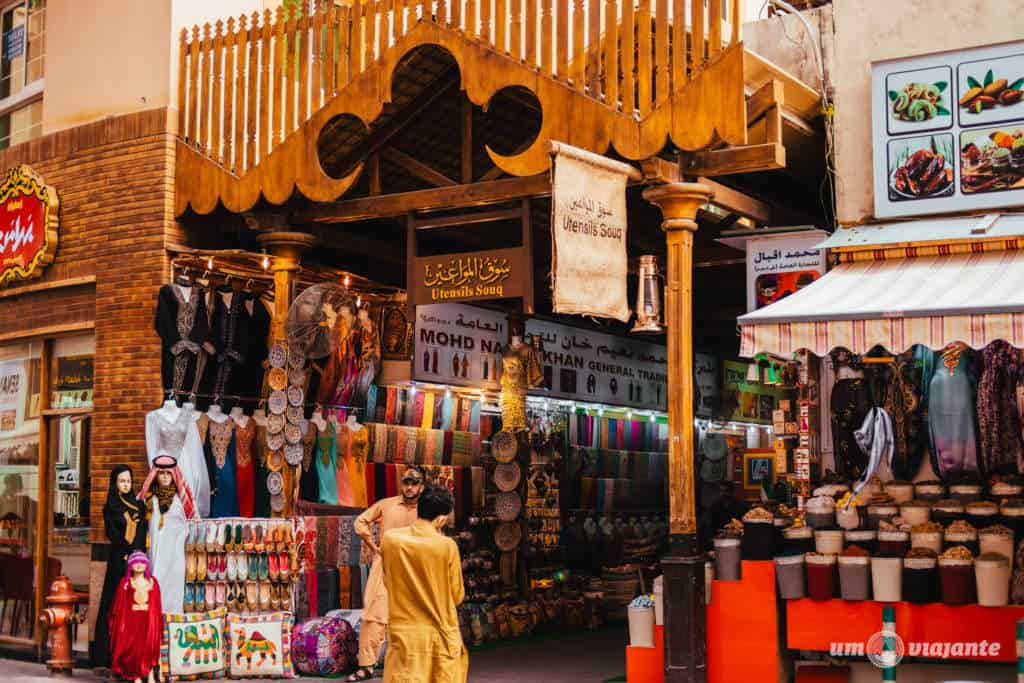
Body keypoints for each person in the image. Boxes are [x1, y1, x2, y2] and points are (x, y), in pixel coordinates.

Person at [380, 486, 467, 683]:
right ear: (441, 518)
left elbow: (388, 581)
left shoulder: (390, 540)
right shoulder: (447, 546)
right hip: (439, 638)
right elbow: (457, 595)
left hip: (404, 636)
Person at [347, 466, 425, 681]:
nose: (409, 487)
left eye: (414, 483)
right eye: (406, 482)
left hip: (414, 567)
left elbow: (439, 527)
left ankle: (412, 664)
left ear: (422, 486)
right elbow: (360, 521)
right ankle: (366, 666)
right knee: (374, 614)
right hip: (385, 564)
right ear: (402, 483)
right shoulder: (387, 504)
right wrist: (373, 546)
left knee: (414, 615)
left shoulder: (427, 508)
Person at [94, 465, 148, 670]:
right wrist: (126, 550)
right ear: (115, 483)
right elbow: (112, 534)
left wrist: (138, 555)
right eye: (122, 481)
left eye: (128, 481)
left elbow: (143, 533)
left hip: (138, 562)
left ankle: (131, 656)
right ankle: (105, 656)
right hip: (118, 560)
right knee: (112, 606)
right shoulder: (110, 506)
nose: (126, 484)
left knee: (133, 608)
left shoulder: (139, 506)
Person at [138, 453, 198, 614]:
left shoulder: (181, 501)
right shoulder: (148, 500)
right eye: (161, 473)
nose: (165, 477)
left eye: (168, 474)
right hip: (155, 555)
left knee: (174, 595)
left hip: (176, 557)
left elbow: (192, 524)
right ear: (155, 475)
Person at [108, 551, 163, 683]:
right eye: (135, 562)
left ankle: (150, 675)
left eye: (142, 562)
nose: (139, 565)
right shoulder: (125, 583)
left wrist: (156, 623)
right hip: (132, 622)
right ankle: (136, 676)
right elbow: (119, 607)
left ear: (146, 565)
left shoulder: (153, 582)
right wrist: (121, 625)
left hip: (149, 622)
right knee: (134, 650)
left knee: (149, 648)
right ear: (130, 566)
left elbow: (156, 605)